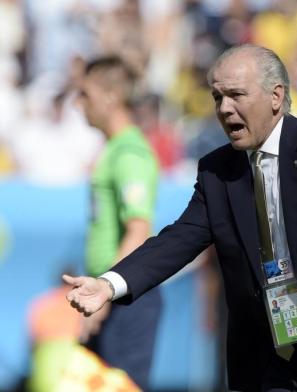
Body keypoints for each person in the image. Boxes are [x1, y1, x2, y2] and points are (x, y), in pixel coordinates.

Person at [64, 44, 297, 392]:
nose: (224, 109)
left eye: (236, 95)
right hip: (273, 359)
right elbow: (180, 238)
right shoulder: (216, 171)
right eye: (217, 97)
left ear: (276, 96)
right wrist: (109, 284)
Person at [74, 56, 162, 390]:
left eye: (85, 93)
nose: (79, 103)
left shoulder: (129, 153)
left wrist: (104, 295)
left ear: (110, 95)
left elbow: (138, 230)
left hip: (125, 297)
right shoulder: (114, 150)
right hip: (111, 295)